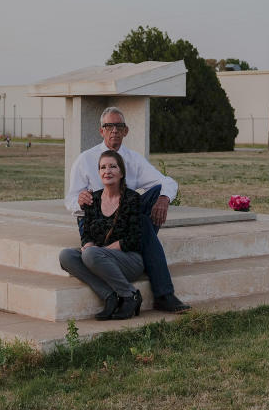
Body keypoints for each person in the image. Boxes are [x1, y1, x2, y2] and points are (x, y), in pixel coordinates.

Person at [64, 106, 190, 313]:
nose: (114, 130)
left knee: (155, 194)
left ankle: (161, 294)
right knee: (142, 226)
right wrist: (79, 199)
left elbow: (166, 182)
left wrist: (164, 199)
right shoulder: (85, 159)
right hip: (95, 220)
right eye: (109, 126)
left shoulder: (134, 159)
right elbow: (70, 199)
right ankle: (158, 294)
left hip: (126, 220)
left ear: (126, 131)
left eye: (119, 126)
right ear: (101, 131)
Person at [59, 150, 144, 320]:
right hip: (98, 258)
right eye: (103, 167)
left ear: (121, 172)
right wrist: (88, 245)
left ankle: (130, 295)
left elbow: (134, 239)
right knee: (66, 255)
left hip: (129, 260)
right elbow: (87, 233)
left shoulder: (132, 199)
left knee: (91, 254)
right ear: (99, 173)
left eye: (113, 166)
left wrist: (100, 252)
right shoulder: (93, 199)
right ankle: (109, 295)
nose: (108, 171)